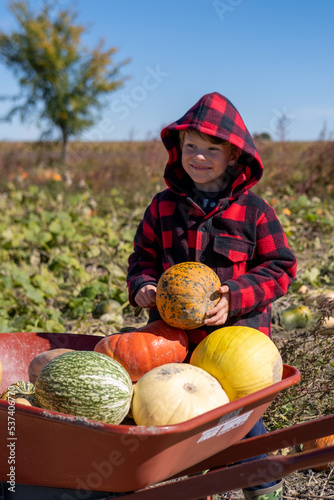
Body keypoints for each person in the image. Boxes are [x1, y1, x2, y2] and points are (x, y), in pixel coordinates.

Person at [127, 92, 297, 499]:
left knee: (242, 427)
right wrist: (144, 286)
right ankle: (190, 485)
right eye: (191, 147)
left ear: (234, 156)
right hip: (176, 343)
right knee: (176, 416)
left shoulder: (255, 211)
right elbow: (142, 257)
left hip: (236, 346)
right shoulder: (163, 207)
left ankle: (264, 489)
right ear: (178, 149)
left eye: (211, 149)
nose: (198, 157)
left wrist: (233, 296)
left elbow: (281, 267)